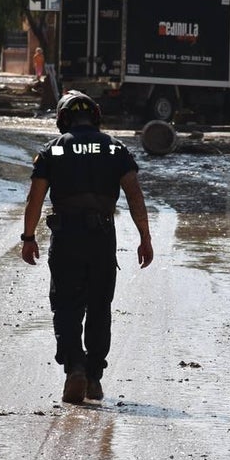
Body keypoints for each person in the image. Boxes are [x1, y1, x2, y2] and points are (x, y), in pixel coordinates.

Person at [20, 91, 154, 404]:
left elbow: (34, 198)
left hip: (67, 237)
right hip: (102, 238)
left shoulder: (52, 151)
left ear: (63, 118)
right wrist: (145, 237)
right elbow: (135, 195)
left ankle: (75, 368)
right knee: (98, 306)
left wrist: (28, 238)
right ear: (94, 116)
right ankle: (93, 377)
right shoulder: (115, 148)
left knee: (66, 305)